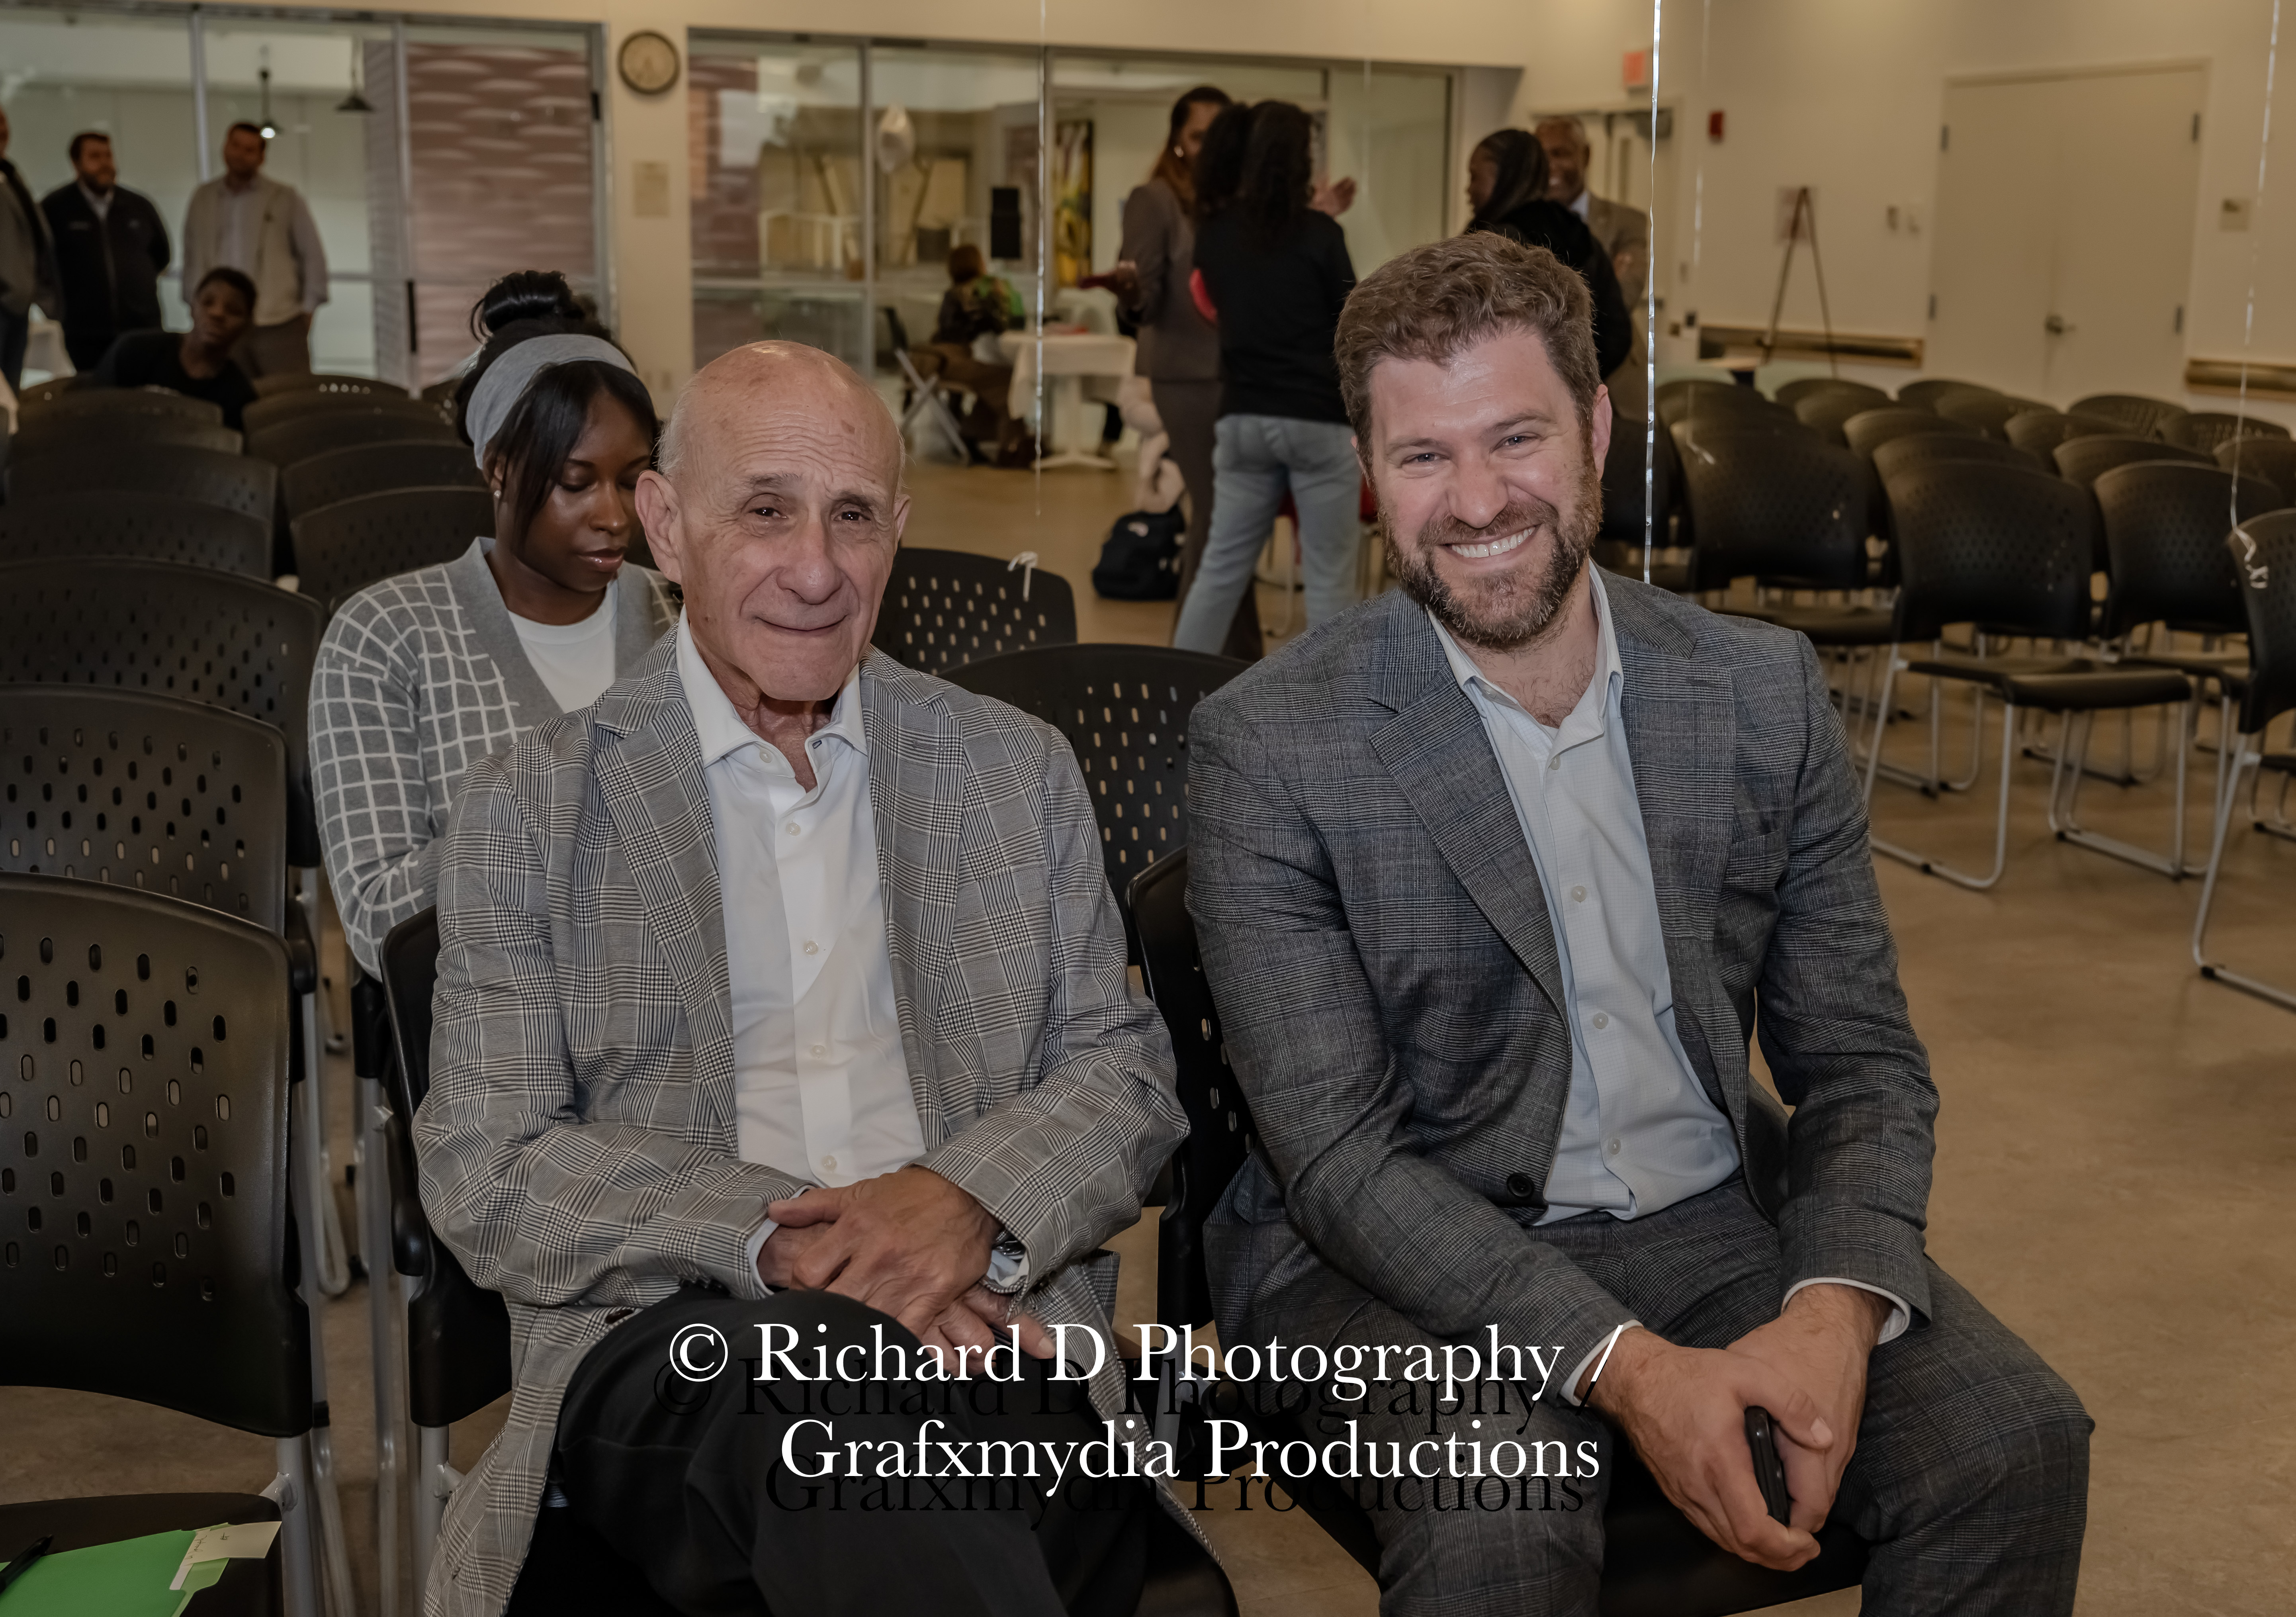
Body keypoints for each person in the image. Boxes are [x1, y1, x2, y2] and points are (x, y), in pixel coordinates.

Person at [1188, 232, 2091, 1615]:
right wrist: (1630, 1370)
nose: (1475, 500)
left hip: (1703, 1213)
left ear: (1596, 430)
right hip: (1373, 1260)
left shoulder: (1754, 691)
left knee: (2010, 1443)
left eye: (1516, 438)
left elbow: (1857, 1059)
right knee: (1504, 1512)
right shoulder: (1269, 743)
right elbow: (1340, 1162)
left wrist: (1829, 1309)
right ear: (1367, 469)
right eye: (1423, 456)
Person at [413, 339, 1189, 1617]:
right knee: (825, 1390)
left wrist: (962, 1204)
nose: (817, 569)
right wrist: (788, 1244)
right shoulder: (531, 808)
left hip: (985, 1321)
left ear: (899, 530)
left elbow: (1124, 1073)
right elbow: (486, 1164)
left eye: (853, 517)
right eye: (765, 511)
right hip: (677, 1341)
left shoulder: (1013, 770)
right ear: (667, 524)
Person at [309, 270, 679, 977]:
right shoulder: (383, 637)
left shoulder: (683, 616)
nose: (613, 516)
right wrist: (558, 812)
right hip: (495, 1020)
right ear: (499, 471)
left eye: (632, 480)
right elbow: (379, 920)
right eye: (575, 483)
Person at [1169, 100, 1362, 654]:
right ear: (1300, 160)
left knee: (1219, 571)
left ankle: (1173, 689)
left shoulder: (1215, 234)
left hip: (1243, 416)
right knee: (1328, 580)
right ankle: (1333, 701)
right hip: (1317, 419)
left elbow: (1225, 302)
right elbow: (1351, 323)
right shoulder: (1321, 234)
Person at [1111, 84, 1260, 661]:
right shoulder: (1155, 200)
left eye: (1219, 137)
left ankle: (1229, 658)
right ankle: (1195, 660)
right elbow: (1141, 302)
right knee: (1222, 516)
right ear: (1178, 141)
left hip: (1238, 373)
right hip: (1185, 375)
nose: (1209, 148)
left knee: (1226, 519)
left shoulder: (1235, 201)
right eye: (1199, 136)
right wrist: (1128, 292)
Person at [1465, 129, 1631, 380]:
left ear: (1505, 175)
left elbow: (1470, 331)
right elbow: (1617, 333)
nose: (1468, 189)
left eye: (1475, 177)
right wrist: (1572, 381)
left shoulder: (1494, 241)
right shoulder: (1581, 234)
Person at [180, 121, 329, 377]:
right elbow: (192, 255)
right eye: (236, 146)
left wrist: (308, 309)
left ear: (261, 158)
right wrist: (195, 305)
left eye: (249, 150)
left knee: (289, 393)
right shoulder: (203, 198)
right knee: (227, 392)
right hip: (221, 321)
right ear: (225, 148)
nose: (240, 154)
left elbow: (312, 255)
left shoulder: (284, 198)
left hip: (278, 319)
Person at [1537, 114, 1651, 429]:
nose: (1551, 166)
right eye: (1542, 157)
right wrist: (1603, 279)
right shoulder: (1521, 226)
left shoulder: (1627, 222)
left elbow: (1624, 296)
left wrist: (1551, 302)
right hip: (1545, 380)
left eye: (1560, 153)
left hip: (1618, 380)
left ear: (1585, 156)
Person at [41, 131, 172, 372]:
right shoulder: (55, 209)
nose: (104, 163)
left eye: (108, 156)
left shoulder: (139, 206)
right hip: (85, 333)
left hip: (142, 327)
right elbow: (42, 265)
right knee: (96, 392)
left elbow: (161, 256)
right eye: (95, 157)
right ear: (76, 163)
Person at [90, 266, 260, 430]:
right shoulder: (132, 351)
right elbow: (91, 412)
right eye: (208, 303)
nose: (217, 314)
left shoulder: (238, 395)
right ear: (192, 307)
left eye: (234, 310)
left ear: (247, 325)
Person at [907, 242, 1031, 464]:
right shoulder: (972, 293)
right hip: (949, 361)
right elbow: (998, 325)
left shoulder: (955, 294)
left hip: (944, 359)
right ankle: (1010, 445)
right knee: (1007, 379)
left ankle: (975, 433)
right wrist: (995, 303)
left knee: (996, 381)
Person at [0, 105, 60, 394]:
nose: (2, 130)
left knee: (10, 393)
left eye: (3, 122)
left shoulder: (11, 176)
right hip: (6, 299)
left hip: (17, 306)